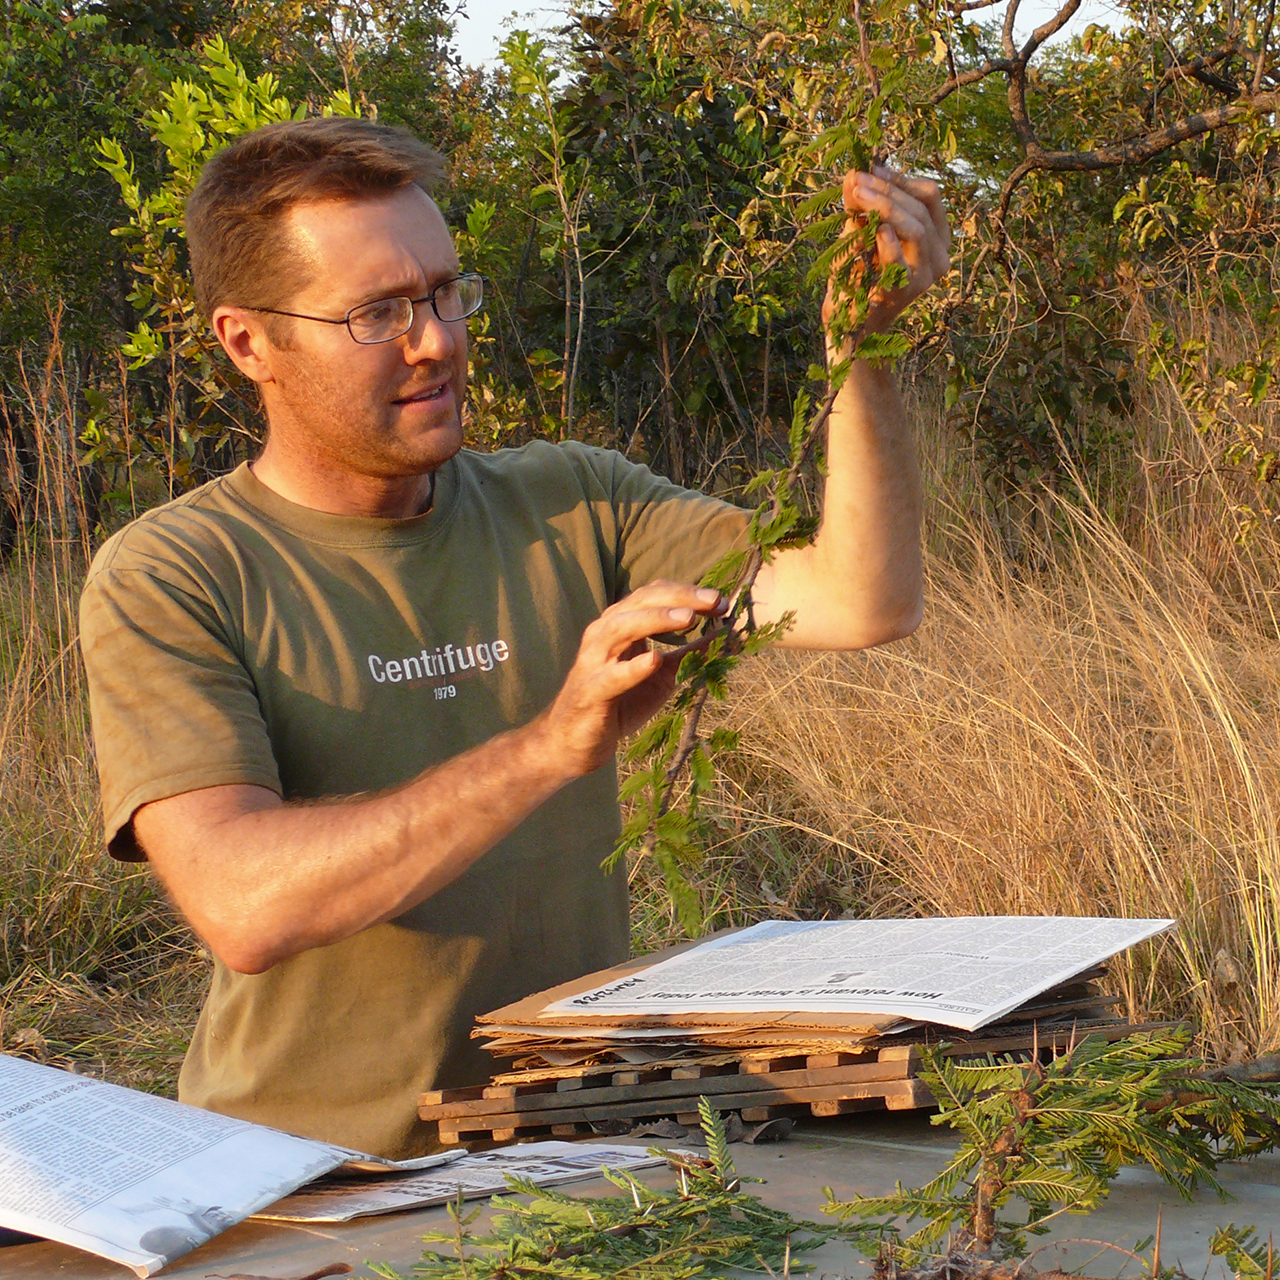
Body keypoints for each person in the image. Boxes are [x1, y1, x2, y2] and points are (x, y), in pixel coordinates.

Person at [79, 117, 950, 1158]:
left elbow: (860, 598)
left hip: (572, 1147)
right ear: (247, 342)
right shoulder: (172, 571)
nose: (436, 339)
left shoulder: (573, 501)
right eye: (376, 313)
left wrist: (866, 352)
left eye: (446, 292)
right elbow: (242, 903)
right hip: (304, 1181)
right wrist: (550, 748)